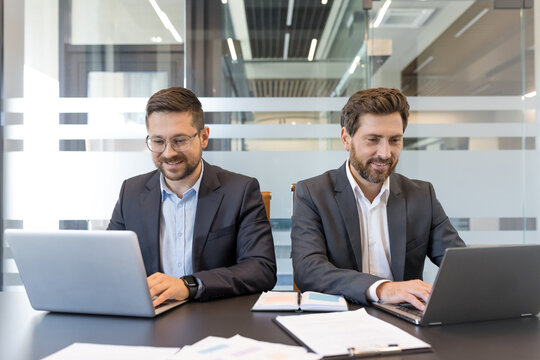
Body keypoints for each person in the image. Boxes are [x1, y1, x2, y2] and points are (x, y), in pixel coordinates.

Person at [291, 87, 465, 310]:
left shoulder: (422, 196)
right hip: (341, 320)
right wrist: (382, 288)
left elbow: (459, 264)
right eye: (373, 140)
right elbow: (309, 270)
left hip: (405, 321)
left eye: (395, 140)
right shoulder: (313, 193)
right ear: (346, 139)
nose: (385, 153)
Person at [108, 87, 276, 305]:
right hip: (152, 318)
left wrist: (189, 285)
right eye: (158, 141)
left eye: (180, 140)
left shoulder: (240, 190)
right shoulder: (131, 192)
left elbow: (261, 268)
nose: (169, 153)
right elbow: (110, 264)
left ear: (204, 137)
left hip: (215, 318)